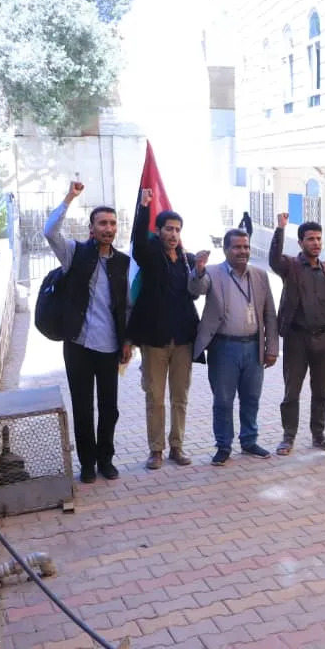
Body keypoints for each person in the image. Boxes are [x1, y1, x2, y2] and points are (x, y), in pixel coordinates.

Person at [44, 181, 132, 483]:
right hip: (78, 345)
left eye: (112, 223)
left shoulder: (123, 262)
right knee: (83, 409)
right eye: (102, 223)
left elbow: (125, 307)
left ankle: (106, 459)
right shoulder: (74, 254)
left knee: (109, 409)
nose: (108, 228)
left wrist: (127, 342)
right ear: (91, 228)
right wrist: (70, 197)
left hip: (109, 348)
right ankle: (87, 464)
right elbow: (49, 231)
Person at [190, 229, 278, 465]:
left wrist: (272, 347)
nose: (243, 251)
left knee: (251, 398)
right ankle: (223, 445)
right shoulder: (212, 273)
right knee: (223, 400)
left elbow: (270, 313)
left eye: (246, 247)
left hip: (253, 348)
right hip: (223, 348)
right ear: (226, 250)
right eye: (237, 247)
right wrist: (197, 270)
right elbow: (196, 290)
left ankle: (249, 440)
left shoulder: (260, 275)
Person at [128, 189, 200, 470]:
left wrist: (201, 269)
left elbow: (195, 292)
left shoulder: (186, 260)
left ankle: (177, 447)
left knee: (179, 398)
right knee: (155, 398)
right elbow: (137, 242)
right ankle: (155, 450)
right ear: (158, 232)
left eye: (177, 230)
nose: (173, 234)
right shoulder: (150, 256)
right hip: (155, 340)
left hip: (183, 340)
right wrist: (144, 208)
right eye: (168, 229)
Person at [268, 213, 325, 455]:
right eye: (310, 239)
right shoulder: (290, 266)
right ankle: (288, 436)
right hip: (297, 339)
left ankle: (318, 434)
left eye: (319, 238)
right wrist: (280, 229)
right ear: (300, 243)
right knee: (292, 391)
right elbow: (273, 260)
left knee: (321, 392)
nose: (316, 243)